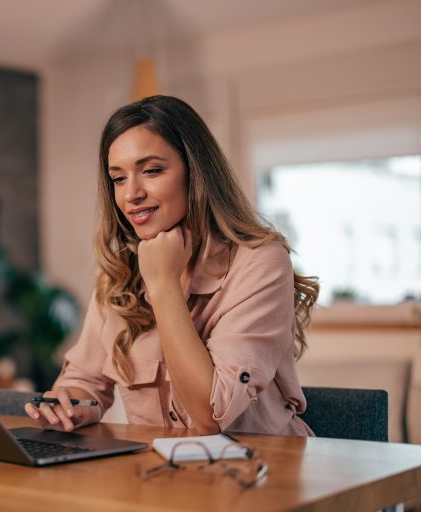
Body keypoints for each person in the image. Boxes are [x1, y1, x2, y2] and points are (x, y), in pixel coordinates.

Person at [25, 95, 319, 436]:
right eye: (118, 178)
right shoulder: (119, 273)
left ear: (195, 173)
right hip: (162, 475)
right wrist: (71, 406)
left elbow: (211, 416)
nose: (131, 194)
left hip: (259, 471)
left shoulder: (259, 262)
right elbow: (85, 382)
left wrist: (163, 284)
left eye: (151, 171)